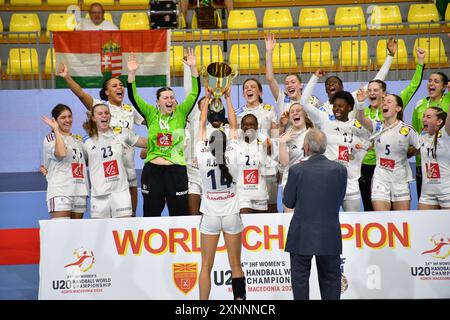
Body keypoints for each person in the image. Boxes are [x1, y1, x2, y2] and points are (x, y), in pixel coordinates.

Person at [57, 63, 144, 216]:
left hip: (128, 165)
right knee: (106, 217)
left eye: (121, 85)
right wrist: (68, 78)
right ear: (107, 92)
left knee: (129, 214)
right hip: (107, 170)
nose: (120, 88)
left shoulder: (130, 110)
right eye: (114, 85)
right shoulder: (100, 106)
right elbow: (81, 94)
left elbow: (151, 121)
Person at [127, 49, 200, 217]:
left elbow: (195, 93)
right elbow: (133, 96)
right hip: (153, 173)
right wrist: (132, 73)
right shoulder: (151, 114)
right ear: (158, 102)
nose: (169, 100)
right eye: (165, 98)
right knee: (151, 215)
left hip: (176, 172)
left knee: (180, 215)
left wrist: (193, 69)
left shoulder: (181, 113)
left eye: (172, 97)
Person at [359, 47, 426, 211]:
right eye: (370, 91)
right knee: (371, 210)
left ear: (384, 94)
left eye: (376, 90)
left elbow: (412, 86)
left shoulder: (393, 104)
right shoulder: (364, 112)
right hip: (368, 165)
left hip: (396, 168)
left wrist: (420, 64)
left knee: (399, 214)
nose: (372, 93)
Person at [283, 128, 347, 300]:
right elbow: (339, 199)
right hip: (329, 234)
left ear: (306, 147)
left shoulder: (297, 170)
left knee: (300, 281)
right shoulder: (340, 170)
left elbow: (288, 202)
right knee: (331, 280)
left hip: (302, 234)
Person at [196, 86, 246, 300]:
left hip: (210, 216)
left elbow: (201, 124)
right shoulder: (234, 154)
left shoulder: (202, 153)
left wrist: (207, 100)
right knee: (236, 265)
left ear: (209, 143)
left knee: (206, 266)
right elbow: (234, 125)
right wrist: (227, 98)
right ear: (226, 143)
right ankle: (240, 303)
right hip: (231, 215)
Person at [300, 70, 371, 212]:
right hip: (328, 180)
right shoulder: (324, 119)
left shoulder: (357, 126)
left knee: (354, 224)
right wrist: (315, 77)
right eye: (335, 106)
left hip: (350, 182)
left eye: (341, 106)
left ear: (350, 108)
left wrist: (361, 149)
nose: (336, 109)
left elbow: (367, 143)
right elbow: (304, 102)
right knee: (326, 222)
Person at [355, 91, 420, 211]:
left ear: (398, 108)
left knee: (402, 221)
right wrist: (360, 103)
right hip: (381, 179)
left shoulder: (407, 129)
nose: (384, 104)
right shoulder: (377, 126)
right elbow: (361, 119)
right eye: (383, 102)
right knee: (381, 219)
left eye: (389, 102)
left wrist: (411, 153)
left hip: (400, 179)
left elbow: (422, 147)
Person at [82, 103, 147, 218]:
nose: (104, 116)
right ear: (93, 118)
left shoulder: (121, 133)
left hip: (120, 192)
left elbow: (145, 142)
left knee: (123, 232)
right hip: (99, 196)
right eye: (100, 114)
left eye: (106, 113)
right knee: (101, 234)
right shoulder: (86, 141)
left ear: (110, 116)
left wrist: (166, 138)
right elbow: (79, 162)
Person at [319, 37, 398, 121]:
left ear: (342, 87)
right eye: (327, 84)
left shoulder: (353, 97)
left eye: (334, 82)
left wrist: (391, 55)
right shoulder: (322, 109)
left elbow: (378, 80)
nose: (331, 84)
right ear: (326, 90)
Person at [237, 78, 279, 213]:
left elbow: (275, 137)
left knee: (271, 204)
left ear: (260, 92)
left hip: (266, 163)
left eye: (253, 87)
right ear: (243, 93)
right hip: (247, 166)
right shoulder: (238, 114)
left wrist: (276, 163)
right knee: (244, 206)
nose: (249, 89)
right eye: (246, 87)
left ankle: (272, 233)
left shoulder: (269, 110)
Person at [42, 104, 89, 220]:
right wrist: (56, 130)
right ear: (55, 120)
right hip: (60, 190)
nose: (67, 120)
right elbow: (61, 153)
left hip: (80, 190)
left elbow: (88, 160)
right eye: (63, 118)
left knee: (76, 233)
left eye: (69, 116)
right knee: (61, 232)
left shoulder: (78, 140)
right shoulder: (50, 139)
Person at [265, 32, 320, 121]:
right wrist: (269, 52)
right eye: (286, 83)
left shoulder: (312, 100)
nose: (289, 85)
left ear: (301, 85)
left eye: (293, 82)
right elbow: (270, 78)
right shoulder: (282, 99)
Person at [412, 72, 449, 199]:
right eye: (429, 80)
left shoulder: (449, 101)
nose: (431, 83)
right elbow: (417, 133)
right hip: (424, 163)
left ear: (444, 86)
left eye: (436, 81)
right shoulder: (420, 104)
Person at [278, 103, 313, 212]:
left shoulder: (313, 133)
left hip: (310, 182)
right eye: (292, 111)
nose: (295, 113)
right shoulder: (285, 136)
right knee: (290, 222)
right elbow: (284, 163)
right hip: (290, 183)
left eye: (298, 110)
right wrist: (283, 142)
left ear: (305, 114)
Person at [418, 107, 450, 209]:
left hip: (446, 191)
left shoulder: (445, 134)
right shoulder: (422, 137)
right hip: (427, 193)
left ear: (439, 121)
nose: (424, 119)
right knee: (421, 224)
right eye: (423, 116)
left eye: (428, 117)